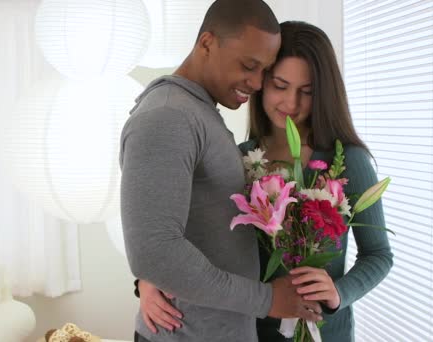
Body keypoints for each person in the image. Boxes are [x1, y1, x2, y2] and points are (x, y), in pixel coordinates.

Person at [136, 21, 394, 342]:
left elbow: (379, 255)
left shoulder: (348, 160)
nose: (291, 104)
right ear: (261, 83)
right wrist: (148, 279)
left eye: (307, 91)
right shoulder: (241, 158)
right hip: (253, 330)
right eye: (280, 86)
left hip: (327, 333)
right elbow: (180, 232)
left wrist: (339, 292)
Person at [119, 1, 324, 341]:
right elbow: (153, 252)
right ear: (207, 44)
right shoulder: (168, 117)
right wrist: (268, 299)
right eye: (249, 65)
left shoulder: (195, 111)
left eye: (265, 70)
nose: (258, 83)